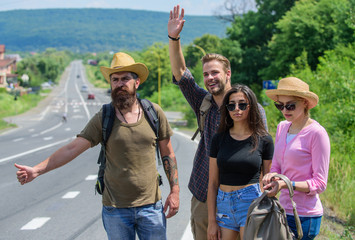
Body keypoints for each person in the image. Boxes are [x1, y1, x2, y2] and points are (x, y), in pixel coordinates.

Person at [15, 52, 180, 240]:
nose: (119, 84)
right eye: (115, 79)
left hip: (151, 207)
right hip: (116, 210)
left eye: (125, 79)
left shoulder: (154, 113)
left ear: (137, 82)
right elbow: (72, 148)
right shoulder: (105, 116)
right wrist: (37, 170)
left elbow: (168, 154)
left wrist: (175, 191)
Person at [168, 5, 268, 240]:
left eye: (215, 72)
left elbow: (263, 155)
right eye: (206, 74)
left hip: (243, 196)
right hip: (205, 193)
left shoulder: (252, 109)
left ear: (228, 73)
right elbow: (181, 72)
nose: (210, 78)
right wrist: (174, 38)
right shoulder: (203, 102)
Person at [262, 77, 330, 240]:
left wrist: (287, 184)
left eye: (290, 105)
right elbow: (277, 165)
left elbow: (320, 184)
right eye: (280, 105)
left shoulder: (317, 133)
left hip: (305, 216)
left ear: (305, 103)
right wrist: (272, 175)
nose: (285, 110)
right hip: (282, 210)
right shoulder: (282, 127)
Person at [207, 85, 274, 240]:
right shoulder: (218, 139)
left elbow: (267, 180)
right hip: (223, 202)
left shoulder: (264, 139)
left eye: (242, 104)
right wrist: (212, 221)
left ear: (251, 106)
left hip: (250, 202)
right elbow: (212, 183)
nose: (237, 109)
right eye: (231, 105)